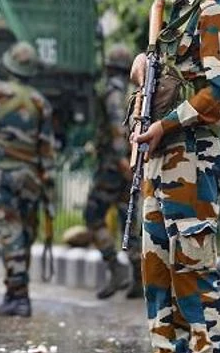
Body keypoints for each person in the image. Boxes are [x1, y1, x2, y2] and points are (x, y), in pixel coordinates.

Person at [130, 0, 220, 353]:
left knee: (194, 285)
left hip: (192, 162)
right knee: (158, 283)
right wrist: (143, 66)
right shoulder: (176, 12)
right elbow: (171, 78)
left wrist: (166, 124)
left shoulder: (214, 9)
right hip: (159, 163)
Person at [0, 33, 56, 318]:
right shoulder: (41, 103)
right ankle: (14, 292)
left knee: (9, 233)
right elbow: (47, 150)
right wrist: (48, 187)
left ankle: (19, 296)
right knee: (25, 233)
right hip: (30, 175)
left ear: (9, 65)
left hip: (3, 173)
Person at [84, 44, 142, 300]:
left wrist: (120, 158)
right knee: (127, 218)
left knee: (93, 214)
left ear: (109, 67)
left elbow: (117, 126)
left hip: (114, 166)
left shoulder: (112, 92)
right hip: (132, 163)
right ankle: (139, 277)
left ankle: (116, 268)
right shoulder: (135, 92)